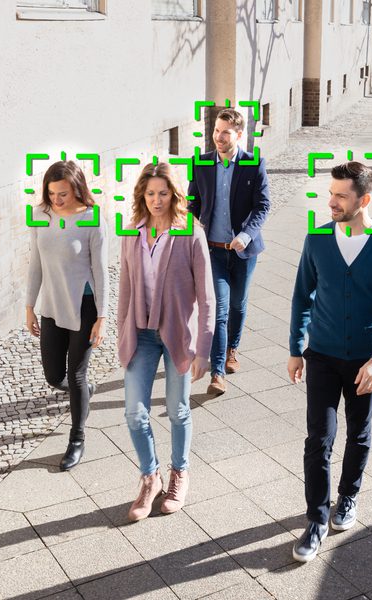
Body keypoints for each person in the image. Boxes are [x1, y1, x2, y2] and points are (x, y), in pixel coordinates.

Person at [287, 161, 372, 562]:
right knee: (317, 440)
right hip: (321, 354)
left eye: (341, 195)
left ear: (364, 200)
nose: (332, 201)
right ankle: (316, 520)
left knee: (358, 433)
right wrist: (294, 348)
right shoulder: (317, 239)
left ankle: (348, 498)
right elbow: (301, 296)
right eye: (331, 193)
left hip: (363, 359)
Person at [118, 162, 214, 521]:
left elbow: (207, 298)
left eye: (163, 193)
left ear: (174, 195)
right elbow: (126, 289)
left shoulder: (191, 232)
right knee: (134, 413)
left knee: (177, 409)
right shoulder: (131, 232)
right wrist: (122, 334)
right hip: (140, 336)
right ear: (142, 194)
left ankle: (179, 474)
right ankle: (149, 477)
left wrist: (204, 348)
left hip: (177, 334)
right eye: (150, 193)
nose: (156, 200)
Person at [26, 160, 108, 471]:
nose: (56, 200)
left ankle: (77, 438)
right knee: (53, 376)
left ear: (76, 188)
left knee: (76, 374)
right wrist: (29, 306)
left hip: (84, 305)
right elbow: (35, 263)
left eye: (62, 194)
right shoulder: (39, 216)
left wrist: (103, 316)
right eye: (51, 193)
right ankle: (83, 393)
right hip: (52, 305)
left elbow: (101, 271)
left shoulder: (92, 218)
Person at [187, 108, 271, 395]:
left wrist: (246, 235)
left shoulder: (253, 163)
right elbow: (192, 200)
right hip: (212, 250)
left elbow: (263, 206)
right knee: (219, 309)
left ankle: (233, 347)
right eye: (215, 131)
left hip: (244, 251)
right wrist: (193, 220)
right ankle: (218, 372)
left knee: (238, 304)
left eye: (225, 132)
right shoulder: (200, 162)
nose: (218, 137)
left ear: (238, 134)